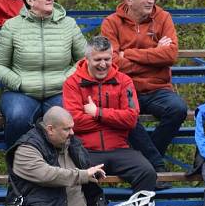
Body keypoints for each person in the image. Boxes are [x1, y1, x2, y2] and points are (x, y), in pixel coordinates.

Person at [100, 0, 188, 172]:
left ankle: (143, 159)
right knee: (125, 114)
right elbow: (112, 63)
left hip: (159, 88)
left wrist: (128, 53)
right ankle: (155, 165)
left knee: (178, 109)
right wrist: (155, 55)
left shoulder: (163, 17)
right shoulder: (111, 23)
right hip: (126, 88)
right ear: (129, 0)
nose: (151, 0)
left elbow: (171, 55)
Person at [0, 0, 87, 148]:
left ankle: (64, 168)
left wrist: (67, 79)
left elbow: (84, 60)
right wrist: (18, 82)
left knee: (67, 118)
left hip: (60, 91)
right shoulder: (12, 26)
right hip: (21, 92)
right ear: (29, 1)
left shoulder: (69, 24)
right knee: (18, 117)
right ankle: (17, 165)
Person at [63, 35, 158, 193]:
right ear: (87, 59)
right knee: (80, 178)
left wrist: (98, 113)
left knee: (147, 173)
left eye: (107, 59)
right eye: (97, 59)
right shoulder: (72, 83)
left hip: (120, 149)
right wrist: (115, 119)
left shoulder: (124, 81)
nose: (103, 64)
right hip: (87, 150)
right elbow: (74, 122)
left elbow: (131, 119)